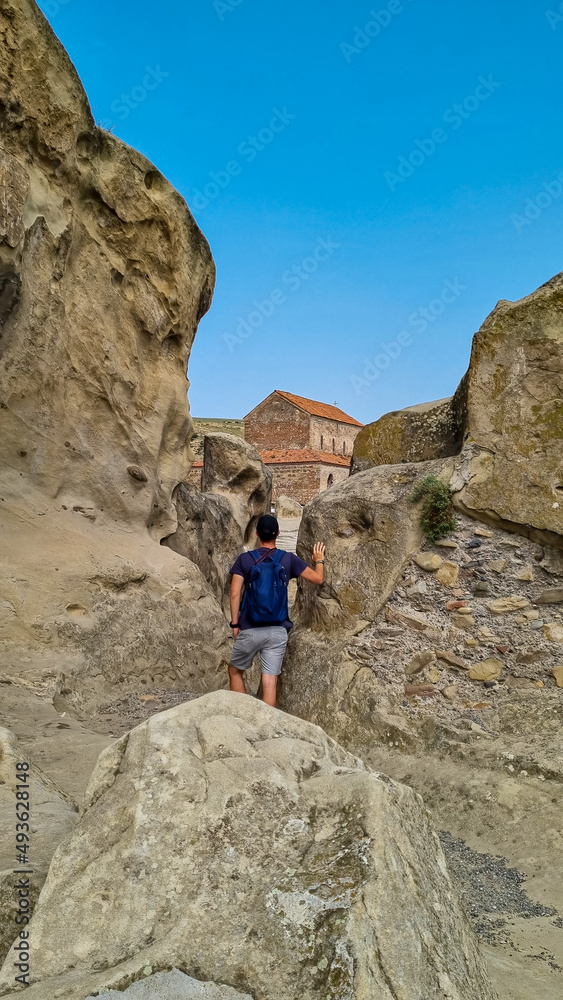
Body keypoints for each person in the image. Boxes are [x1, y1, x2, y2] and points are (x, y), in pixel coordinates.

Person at [228, 514, 325, 708]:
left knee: (235, 671)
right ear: (278, 534)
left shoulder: (245, 560)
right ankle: (267, 727)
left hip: (249, 628)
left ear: (256, 534)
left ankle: (244, 713)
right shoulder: (288, 560)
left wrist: (235, 624)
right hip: (277, 630)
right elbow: (317, 579)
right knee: (270, 680)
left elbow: (234, 593)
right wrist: (319, 560)